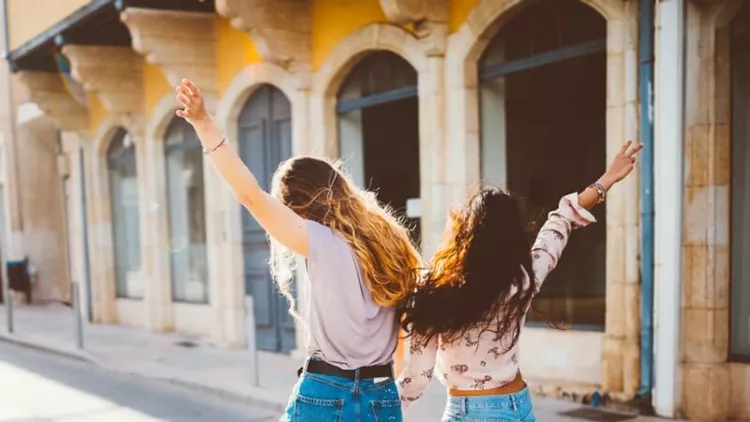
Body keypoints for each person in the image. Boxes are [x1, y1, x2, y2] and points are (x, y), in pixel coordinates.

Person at [175, 79, 421, 422]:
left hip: (326, 392)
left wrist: (203, 123)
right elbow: (401, 333)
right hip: (381, 393)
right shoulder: (391, 241)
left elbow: (249, 195)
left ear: (297, 206)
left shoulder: (319, 240)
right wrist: (392, 395)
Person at [395, 141, 643, 422]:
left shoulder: (434, 289)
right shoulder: (523, 280)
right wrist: (606, 180)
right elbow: (560, 223)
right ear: (513, 238)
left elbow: (415, 381)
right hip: (518, 407)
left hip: (470, 412)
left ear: (464, 234)